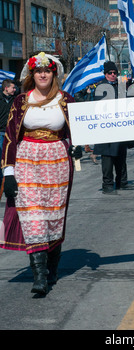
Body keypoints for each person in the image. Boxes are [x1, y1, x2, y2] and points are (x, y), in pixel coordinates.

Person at [0, 52, 82, 295]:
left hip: (57, 163)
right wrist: (9, 172)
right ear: (32, 74)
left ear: (53, 74)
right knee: (33, 218)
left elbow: (79, 128)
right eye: (38, 71)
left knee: (53, 219)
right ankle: (40, 277)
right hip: (27, 162)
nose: (43, 74)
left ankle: (52, 268)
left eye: (47, 71)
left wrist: (78, 144)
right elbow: (10, 138)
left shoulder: (66, 100)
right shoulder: (21, 101)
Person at [93, 61, 134, 194]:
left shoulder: (120, 86)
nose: (112, 75)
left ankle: (122, 182)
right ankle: (107, 184)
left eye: (114, 73)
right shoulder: (100, 87)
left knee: (121, 156)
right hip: (106, 128)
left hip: (120, 127)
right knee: (108, 158)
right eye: (110, 73)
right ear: (105, 74)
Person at [0, 79, 17, 184]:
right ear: (6, 88)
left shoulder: (15, 100)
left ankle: (9, 177)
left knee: (10, 156)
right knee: (2, 156)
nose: (14, 90)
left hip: (11, 133)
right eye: (12, 88)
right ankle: (2, 179)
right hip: (1, 133)